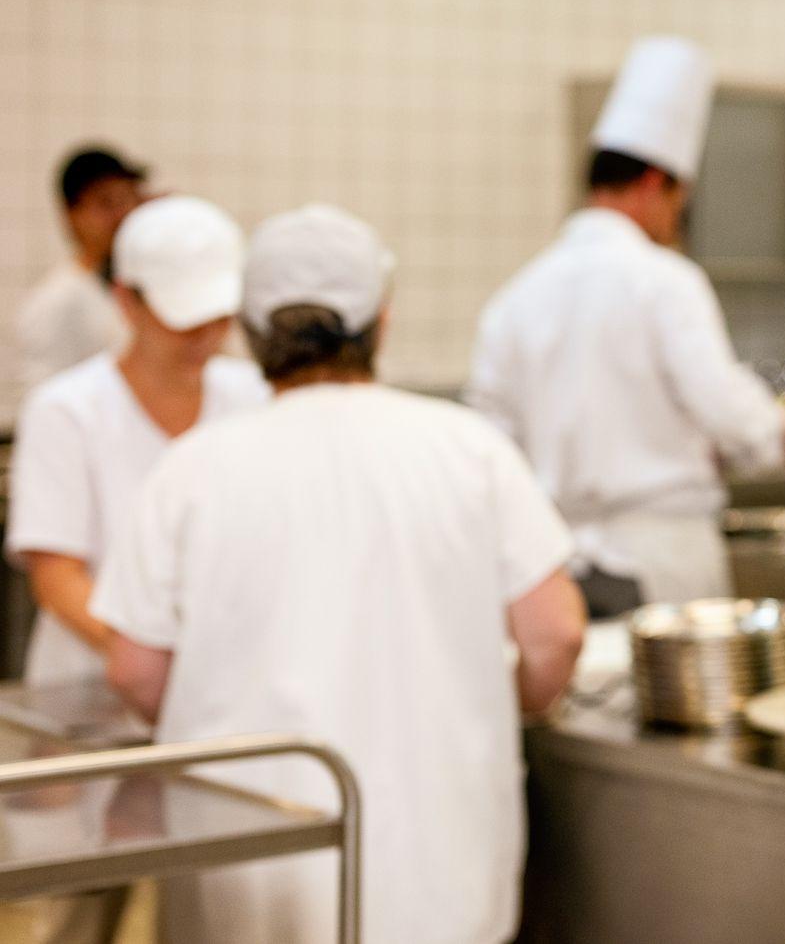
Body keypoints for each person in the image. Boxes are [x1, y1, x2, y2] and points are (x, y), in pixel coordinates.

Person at [92, 205, 586, 944]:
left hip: (250, 875)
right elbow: (557, 636)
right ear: (381, 322)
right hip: (437, 875)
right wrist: (492, 700)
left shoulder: (190, 469)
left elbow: (134, 672)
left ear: (251, 333)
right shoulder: (470, 450)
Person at [469, 36, 785, 614]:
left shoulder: (514, 299)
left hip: (555, 566)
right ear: (655, 182)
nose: (677, 218)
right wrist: (781, 432)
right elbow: (724, 407)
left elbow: (490, 445)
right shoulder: (665, 282)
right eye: (680, 200)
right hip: (660, 561)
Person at [4, 195, 264, 944]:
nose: (205, 337)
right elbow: (58, 576)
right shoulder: (69, 410)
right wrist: (152, 658)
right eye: (185, 319)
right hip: (91, 701)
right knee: (80, 905)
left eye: (218, 317)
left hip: (217, 701)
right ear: (127, 301)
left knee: (212, 898)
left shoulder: (250, 400)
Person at [15, 146, 149, 394]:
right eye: (106, 203)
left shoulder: (134, 288)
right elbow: (44, 399)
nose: (122, 214)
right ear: (71, 214)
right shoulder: (54, 302)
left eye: (128, 199)